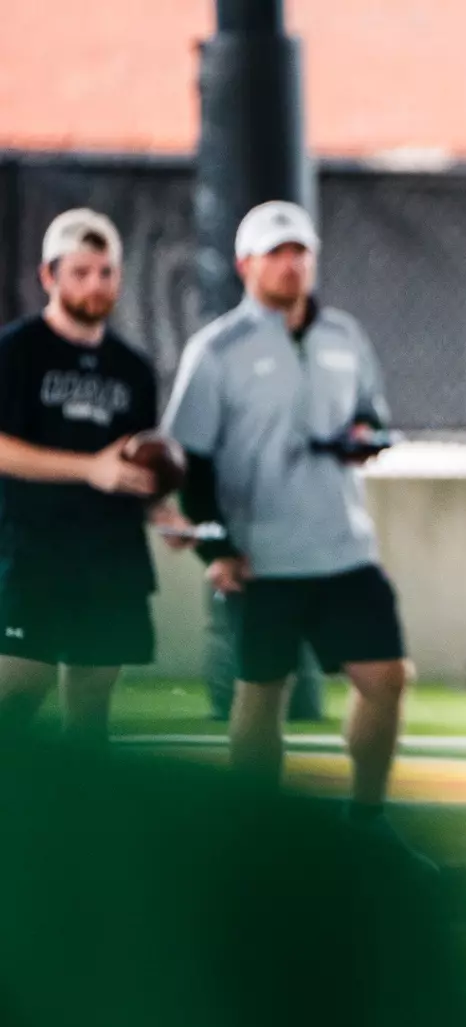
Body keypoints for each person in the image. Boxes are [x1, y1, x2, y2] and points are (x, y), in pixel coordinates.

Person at [162, 201, 425, 864]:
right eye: (276, 253)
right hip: (263, 557)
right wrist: (217, 549)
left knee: (387, 678)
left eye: (299, 251)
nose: (290, 265)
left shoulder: (344, 336)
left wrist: (366, 436)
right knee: (260, 696)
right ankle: (256, 839)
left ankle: (366, 820)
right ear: (245, 264)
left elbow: (371, 416)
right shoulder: (216, 350)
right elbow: (189, 462)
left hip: (344, 549)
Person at [0, 208, 190, 742]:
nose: (95, 284)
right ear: (49, 276)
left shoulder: (133, 369)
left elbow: (132, 467)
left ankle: (77, 798)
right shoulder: (15, 352)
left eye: (106, 272)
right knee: (18, 693)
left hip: (110, 559)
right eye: (80, 272)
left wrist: (163, 513)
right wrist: (90, 469)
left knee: (90, 708)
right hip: (32, 553)